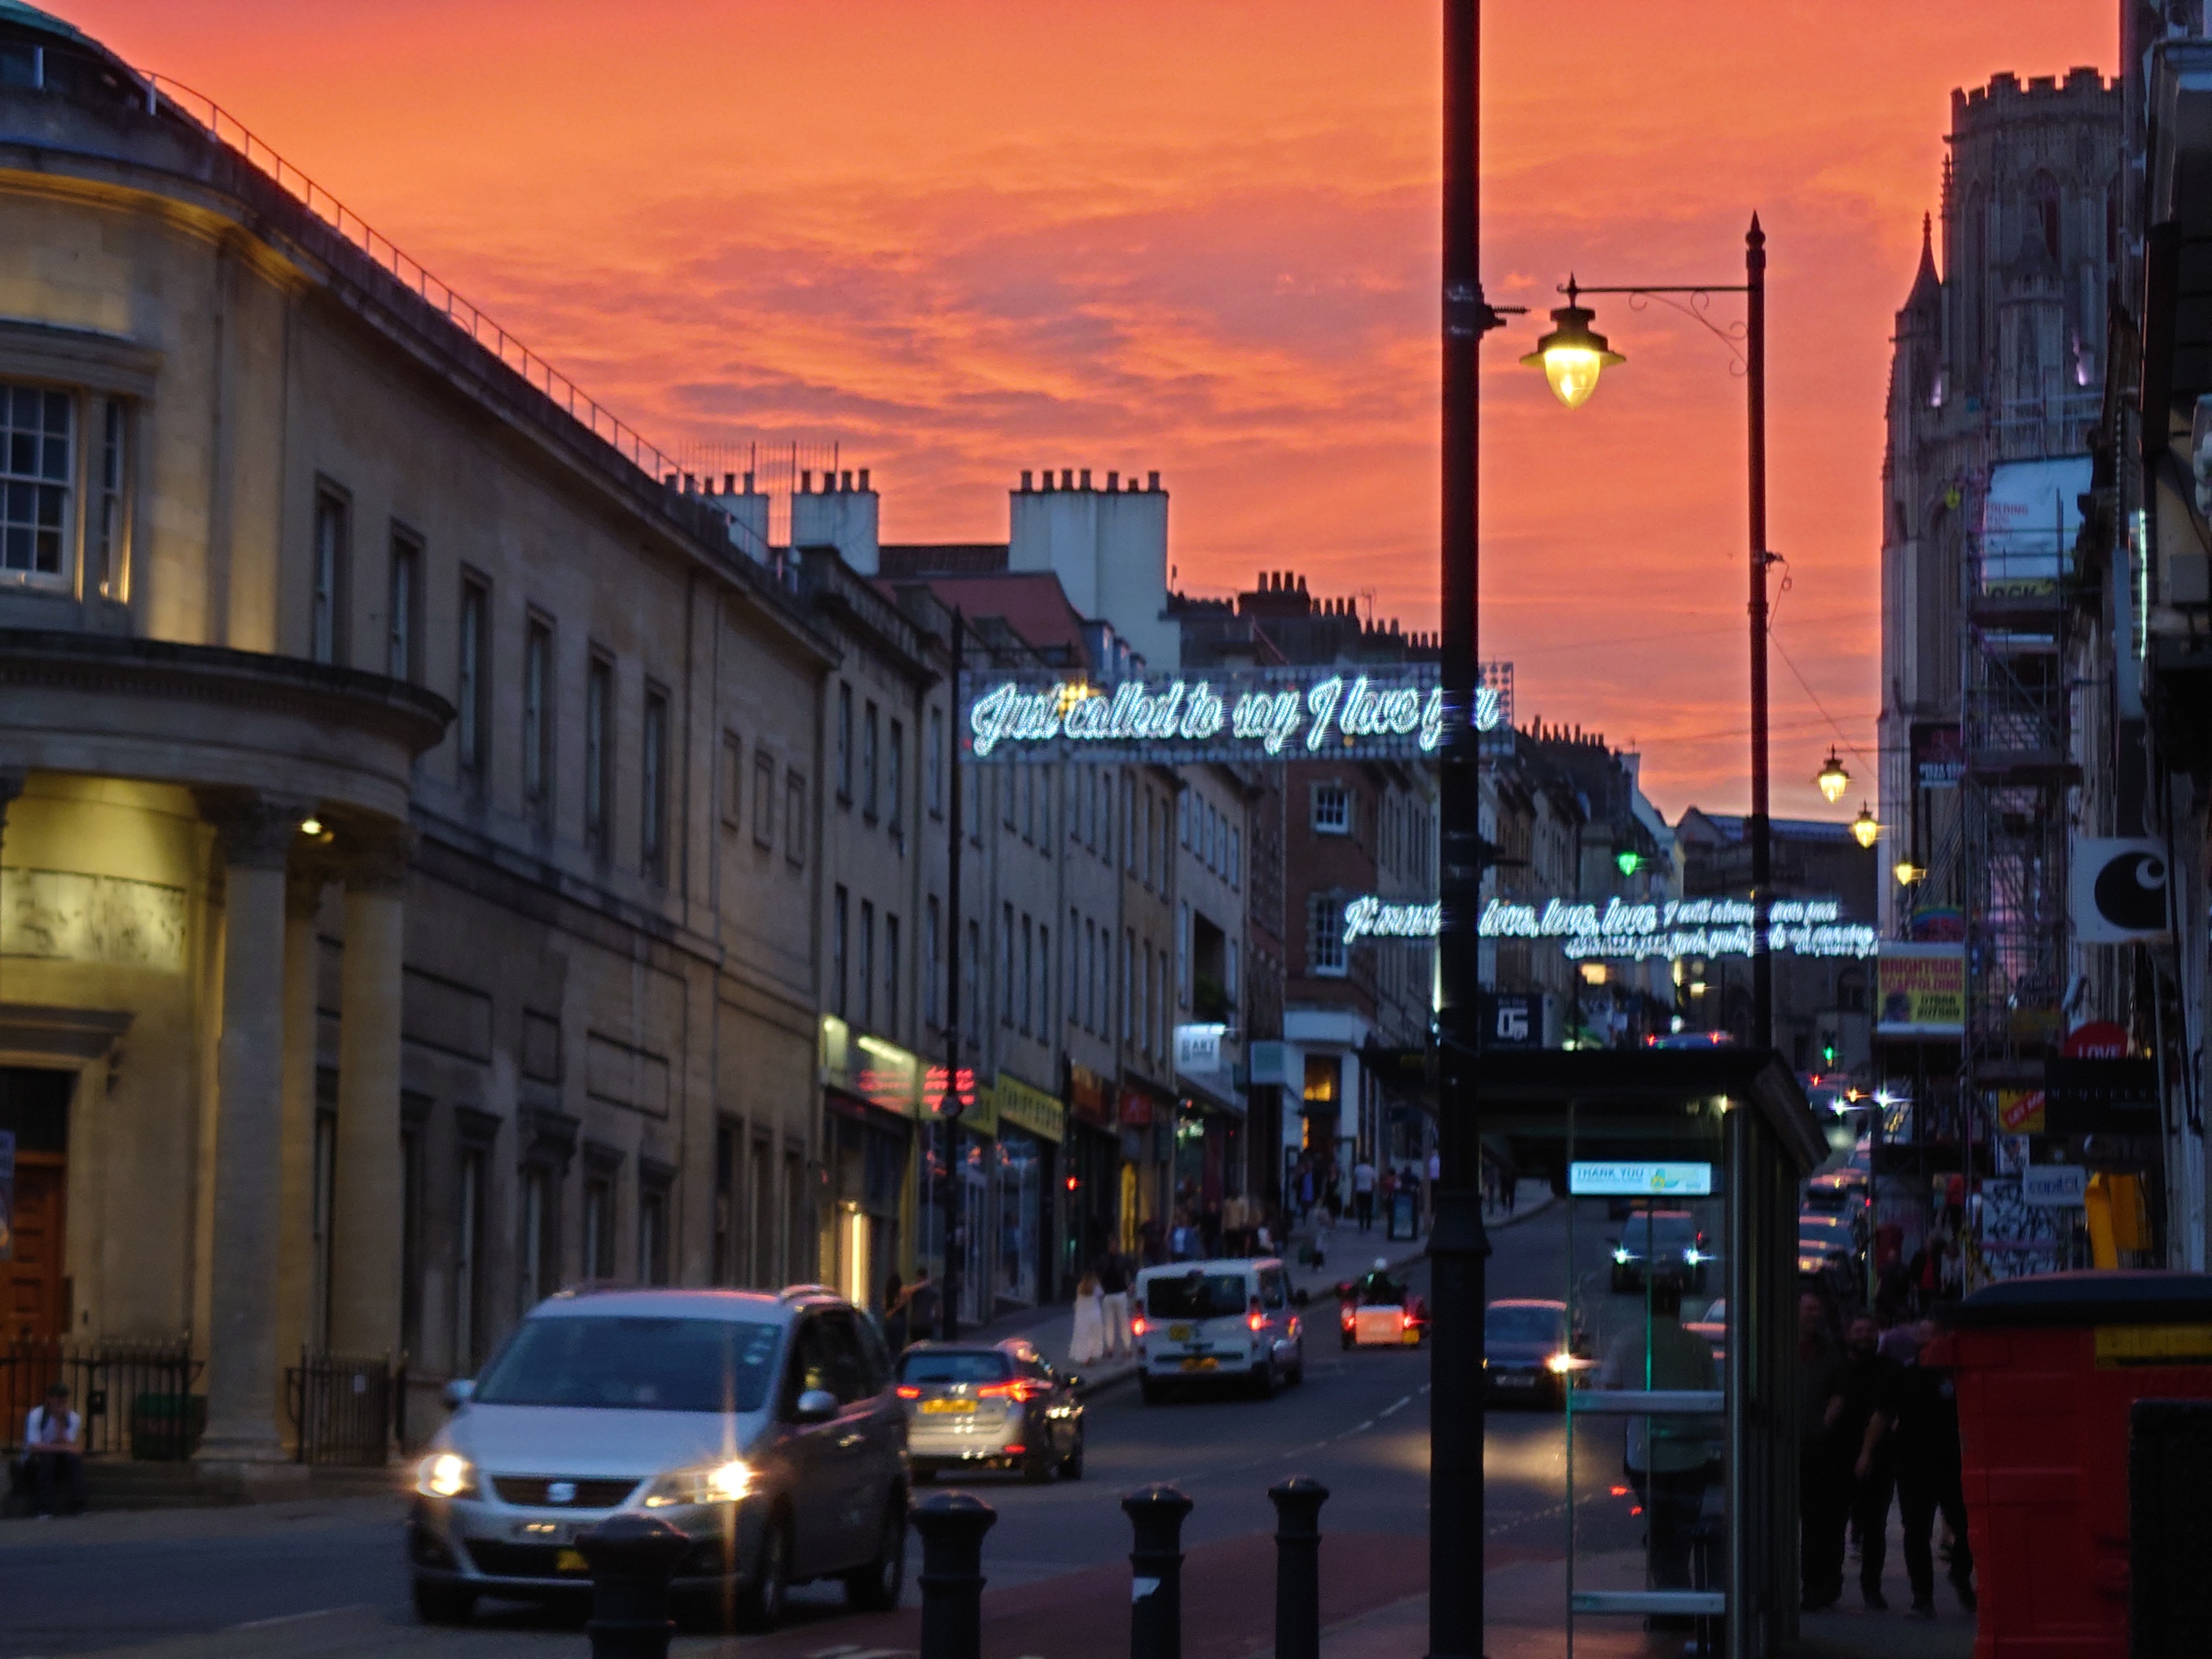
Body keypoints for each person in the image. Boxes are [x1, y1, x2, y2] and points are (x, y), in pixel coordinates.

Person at [1600, 1279, 1719, 1610]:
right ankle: (1676, 1591)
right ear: (1678, 1307)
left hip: (1644, 1454)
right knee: (1682, 1527)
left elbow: (1610, 1392)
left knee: (1659, 1522)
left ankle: (1666, 1595)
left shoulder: (1627, 1342)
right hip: (1690, 1454)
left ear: (1647, 1306)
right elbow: (1713, 1394)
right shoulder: (1697, 1346)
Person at [1891, 1318, 1976, 1617]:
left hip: (1952, 1463)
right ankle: (1922, 1596)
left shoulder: (1956, 1374)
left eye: (1931, 1336)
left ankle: (1960, 1571)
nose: (1926, 1341)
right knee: (1917, 1532)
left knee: (1967, 1526)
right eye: (1922, 1336)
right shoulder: (1907, 1375)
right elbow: (1886, 1413)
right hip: (1914, 1464)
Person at [1836, 1314, 1901, 1609]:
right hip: (1838, 1453)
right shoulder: (1838, 1368)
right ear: (1849, 1334)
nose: (1864, 1336)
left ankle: (1871, 1588)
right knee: (1834, 1523)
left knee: (1874, 1526)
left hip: (1879, 1456)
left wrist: (1868, 1452)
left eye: (1869, 1331)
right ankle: (1829, 1585)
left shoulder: (1889, 1370)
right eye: (1858, 1330)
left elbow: (1887, 1411)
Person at [1798, 1291, 1849, 1612]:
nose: (1813, 1315)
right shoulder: (1781, 1347)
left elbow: (1839, 1393)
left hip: (1816, 1446)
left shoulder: (1829, 1351)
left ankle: (1817, 1584)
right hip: (1786, 1442)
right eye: (1808, 1309)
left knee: (1818, 1520)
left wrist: (1821, 1427)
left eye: (1817, 1309)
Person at [24, 1382, 84, 1517]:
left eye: (64, 1398)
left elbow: (68, 1443)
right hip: (37, 1460)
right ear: (50, 1399)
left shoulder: (73, 1418)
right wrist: (64, 1448)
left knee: (73, 1460)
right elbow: (34, 1447)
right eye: (58, 1398)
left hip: (60, 1458)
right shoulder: (37, 1415)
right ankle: (44, 1508)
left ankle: (79, 1505)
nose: (61, 1402)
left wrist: (60, 1421)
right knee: (47, 1460)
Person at [1069, 1267, 1107, 1364]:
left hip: (1082, 1315)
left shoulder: (1080, 1287)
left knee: (1083, 1336)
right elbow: (1102, 1295)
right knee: (1093, 1335)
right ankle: (1090, 1356)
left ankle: (1084, 1357)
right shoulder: (1096, 1288)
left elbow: (1078, 1301)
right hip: (1094, 1314)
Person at [1099, 1250, 1132, 1357]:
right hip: (1110, 1293)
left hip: (1118, 1293)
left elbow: (1132, 1271)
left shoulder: (1120, 1259)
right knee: (1111, 1323)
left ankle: (1126, 1348)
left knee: (1122, 1323)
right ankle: (1111, 1348)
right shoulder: (1108, 1259)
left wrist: (1131, 1285)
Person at [882, 1269, 909, 1353]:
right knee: (898, 1346)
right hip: (900, 1321)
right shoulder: (902, 1293)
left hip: (889, 1321)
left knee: (889, 1345)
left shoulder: (888, 1293)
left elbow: (884, 1305)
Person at [1352, 1157, 1378, 1232]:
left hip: (1360, 1191)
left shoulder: (1357, 1169)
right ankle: (1368, 1225)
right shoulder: (1371, 1169)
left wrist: (1354, 1190)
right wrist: (1374, 1190)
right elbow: (1373, 1181)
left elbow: (1355, 1180)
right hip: (1368, 1191)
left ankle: (1361, 1224)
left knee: (1361, 1208)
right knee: (1369, 1208)